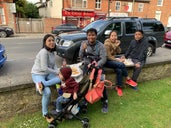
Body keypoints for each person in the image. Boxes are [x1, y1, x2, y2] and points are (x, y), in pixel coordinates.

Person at [79, 28, 108, 113]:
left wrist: (96, 66)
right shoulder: (83, 44)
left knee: (101, 82)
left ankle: (104, 101)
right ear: (87, 36)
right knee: (85, 82)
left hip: (98, 65)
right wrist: (83, 49)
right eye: (89, 35)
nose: (91, 37)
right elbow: (81, 57)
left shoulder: (101, 45)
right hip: (87, 65)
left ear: (96, 36)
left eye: (93, 35)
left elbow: (103, 58)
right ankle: (85, 102)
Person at [31, 34, 61, 117]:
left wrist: (57, 71)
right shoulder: (43, 52)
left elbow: (53, 65)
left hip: (47, 74)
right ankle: (45, 113)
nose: (52, 42)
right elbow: (44, 68)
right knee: (47, 92)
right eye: (49, 40)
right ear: (45, 42)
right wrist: (56, 72)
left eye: (53, 40)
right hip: (38, 74)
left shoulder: (52, 52)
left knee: (61, 79)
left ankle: (59, 102)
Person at [104, 31, 136, 96]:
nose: (114, 37)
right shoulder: (106, 44)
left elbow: (119, 52)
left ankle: (118, 87)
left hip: (113, 60)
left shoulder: (115, 43)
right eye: (112, 36)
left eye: (115, 36)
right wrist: (118, 60)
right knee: (121, 64)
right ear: (109, 37)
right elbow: (109, 57)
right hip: (107, 61)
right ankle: (128, 78)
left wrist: (117, 45)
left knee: (119, 70)